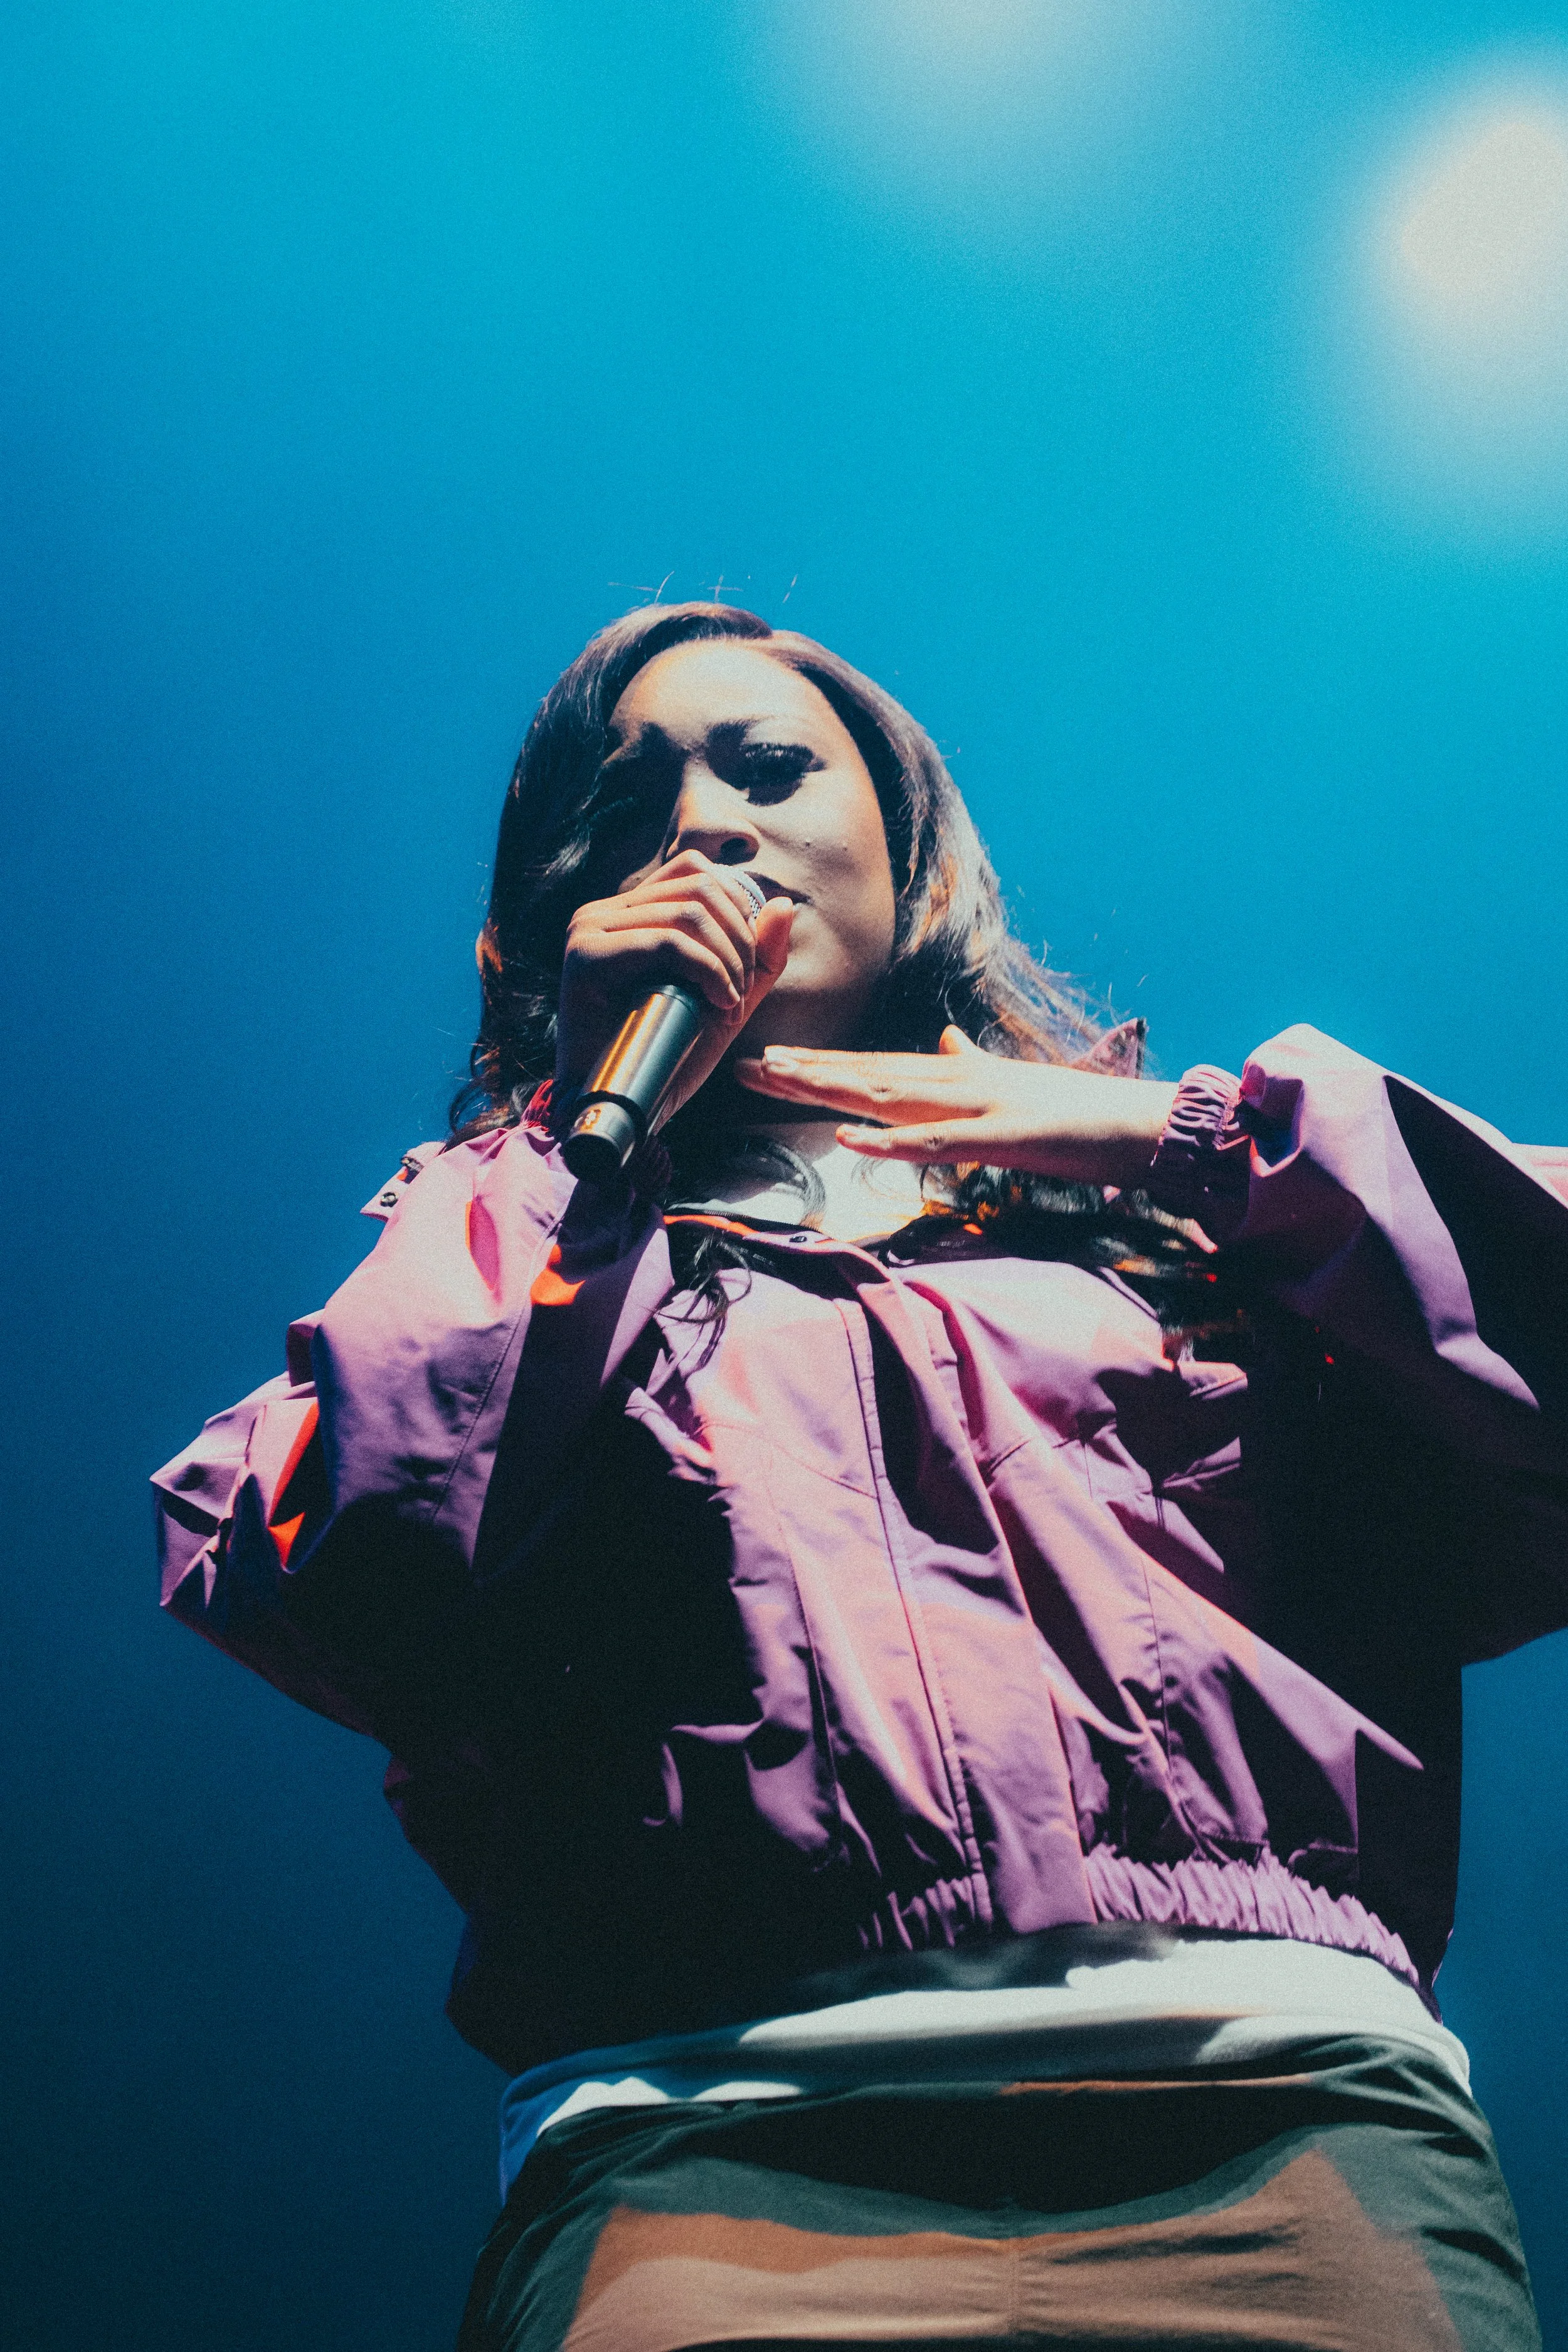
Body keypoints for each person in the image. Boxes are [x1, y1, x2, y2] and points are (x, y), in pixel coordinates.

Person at [155, 602, 1567, 2350]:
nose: (703, 825)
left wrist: (1186, 1143)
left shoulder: (1204, 1223)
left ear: (908, 861)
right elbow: (362, 1567)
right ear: (543, 923)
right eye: (630, 802)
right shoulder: (504, 1237)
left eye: (766, 767)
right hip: (703, 2165)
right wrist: (568, 1146)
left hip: (1291, 2143)